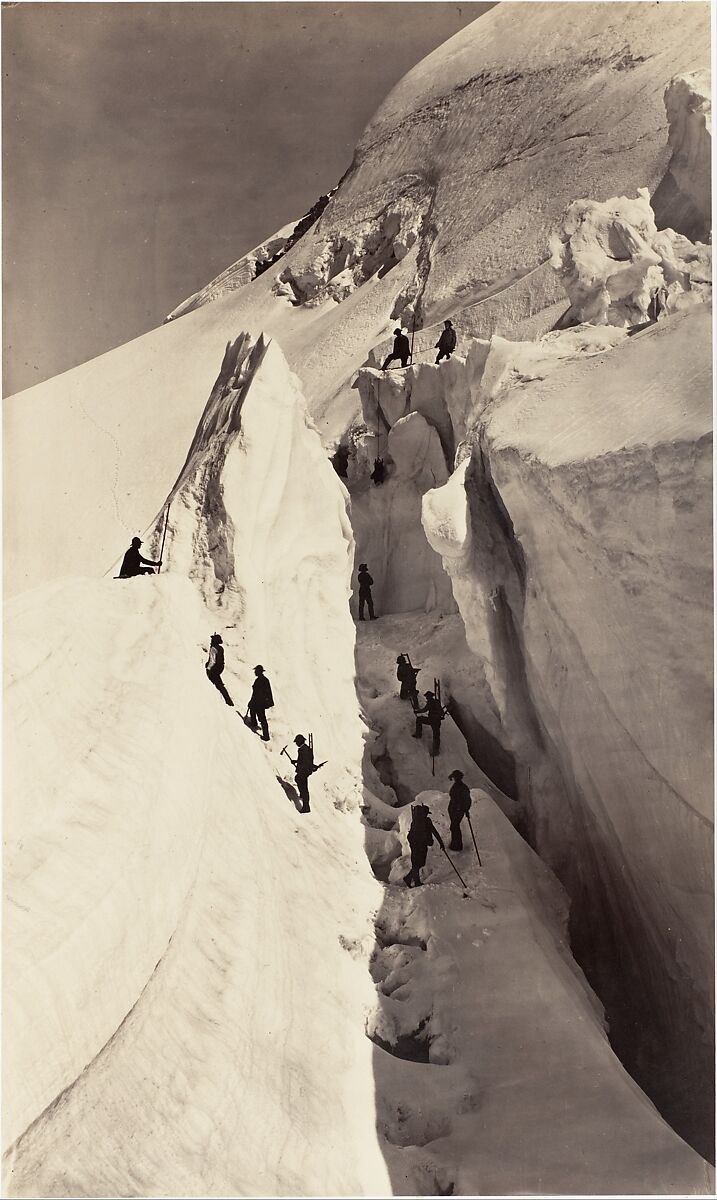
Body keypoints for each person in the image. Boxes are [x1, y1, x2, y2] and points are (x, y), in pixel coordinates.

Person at [404, 803, 445, 888]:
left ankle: (408, 878)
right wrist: (441, 843)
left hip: (415, 845)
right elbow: (435, 832)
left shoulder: (414, 822)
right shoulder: (427, 821)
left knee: (417, 863)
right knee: (417, 864)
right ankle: (416, 882)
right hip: (421, 845)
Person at [412, 690, 445, 756]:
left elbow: (425, 709)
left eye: (427, 697)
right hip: (437, 721)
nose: (426, 698)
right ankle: (436, 751)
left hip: (432, 720)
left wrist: (417, 711)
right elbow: (442, 712)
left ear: (428, 697)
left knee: (419, 719)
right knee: (436, 735)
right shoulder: (437, 702)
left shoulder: (431, 702)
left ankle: (418, 734)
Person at [205, 633, 233, 706]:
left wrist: (208, 668)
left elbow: (212, 661)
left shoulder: (213, 648)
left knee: (215, 683)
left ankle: (227, 701)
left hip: (215, 667)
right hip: (221, 667)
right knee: (219, 683)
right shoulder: (221, 648)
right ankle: (228, 700)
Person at [447, 769, 472, 851]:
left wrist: (465, 809)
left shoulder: (462, 788)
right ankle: (456, 844)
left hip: (457, 810)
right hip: (454, 810)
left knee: (454, 827)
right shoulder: (461, 787)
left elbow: (467, 800)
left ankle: (457, 845)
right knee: (454, 827)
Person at [248, 665, 273, 741]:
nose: (255, 672)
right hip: (260, 702)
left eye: (256, 671)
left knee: (262, 718)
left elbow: (259, 693)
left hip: (260, 702)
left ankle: (266, 736)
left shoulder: (261, 680)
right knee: (253, 711)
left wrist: (253, 701)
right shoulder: (263, 680)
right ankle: (254, 723)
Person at [290, 734, 314, 813]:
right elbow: (304, 760)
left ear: (300, 741)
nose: (296, 743)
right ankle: (302, 796)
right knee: (297, 779)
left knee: (304, 789)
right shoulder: (305, 749)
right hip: (305, 771)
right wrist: (296, 761)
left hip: (303, 771)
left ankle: (306, 807)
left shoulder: (303, 750)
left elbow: (305, 762)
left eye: (297, 742)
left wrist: (301, 769)